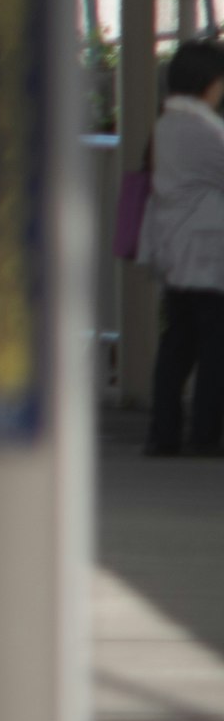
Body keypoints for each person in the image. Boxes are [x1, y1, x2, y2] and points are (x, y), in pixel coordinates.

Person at [143, 38, 224, 454]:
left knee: (177, 345)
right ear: (207, 82)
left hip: (176, 253)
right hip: (208, 256)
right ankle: (206, 434)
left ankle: (164, 432)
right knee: (214, 348)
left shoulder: (166, 124)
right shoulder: (204, 130)